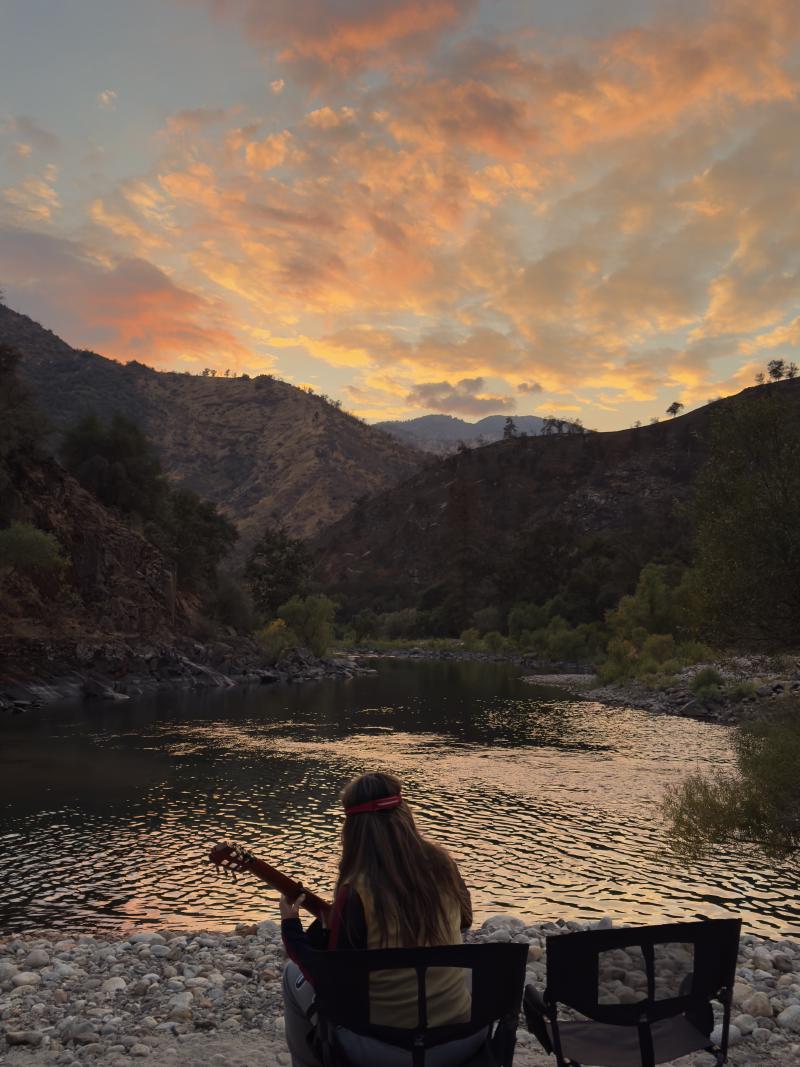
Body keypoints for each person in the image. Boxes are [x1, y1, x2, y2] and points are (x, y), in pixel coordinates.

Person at [280, 771, 480, 1067]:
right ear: (404, 815)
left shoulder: (357, 891)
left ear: (353, 830)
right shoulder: (444, 866)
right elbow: (464, 922)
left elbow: (330, 979)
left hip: (384, 1049)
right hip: (460, 1041)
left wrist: (291, 927)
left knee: (289, 975)